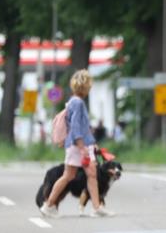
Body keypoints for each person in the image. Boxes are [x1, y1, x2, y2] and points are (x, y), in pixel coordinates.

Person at [40, 69, 116, 218]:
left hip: (81, 145)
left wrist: (91, 144)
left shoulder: (73, 102)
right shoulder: (78, 103)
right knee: (68, 175)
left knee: (91, 175)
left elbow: (82, 127)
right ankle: (48, 205)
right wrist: (82, 147)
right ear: (86, 86)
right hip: (78, 146)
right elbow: (75, 128)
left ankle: (97, 207)